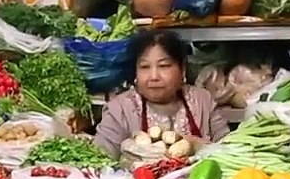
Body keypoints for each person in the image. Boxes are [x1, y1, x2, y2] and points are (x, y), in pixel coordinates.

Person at [93, 30, 229, 159]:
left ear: (182, 70)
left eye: (164, 66)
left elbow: (229, 150)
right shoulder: (120, 109)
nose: (154, 77)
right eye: (145, 67)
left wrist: (196, 144)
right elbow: (101, 159)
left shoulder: (203, 100)